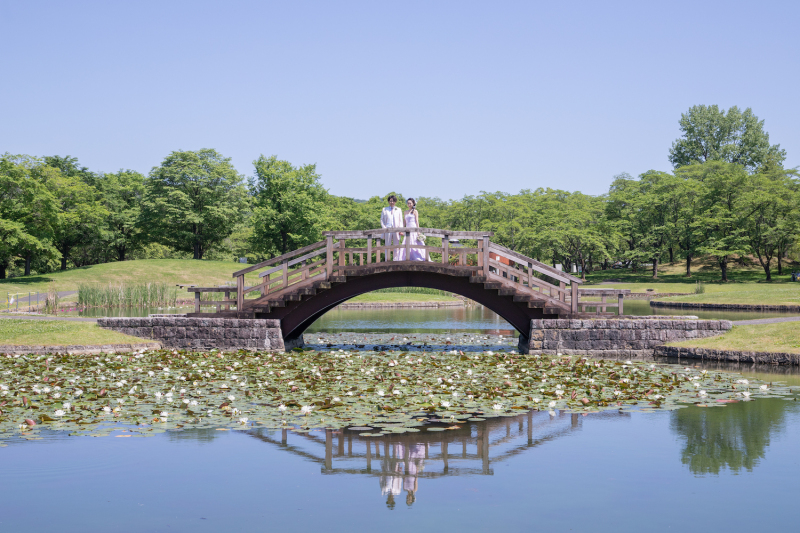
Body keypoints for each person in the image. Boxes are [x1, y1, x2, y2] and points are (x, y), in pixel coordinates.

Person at [380, 195, 404, 261]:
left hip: (396, 229)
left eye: (393, 201)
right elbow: (381, 220)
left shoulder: (398, 209)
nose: (392, 202)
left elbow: (401, 220)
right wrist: (384, 228)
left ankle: (396, 260)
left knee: (396, 245)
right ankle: (387, 260)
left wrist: (400, 229)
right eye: (390, 201)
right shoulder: (384, 209)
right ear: (388, 201)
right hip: (388, 229)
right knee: (387, 245)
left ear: (395, 202)